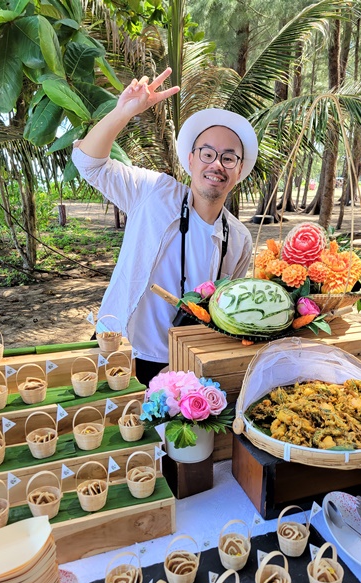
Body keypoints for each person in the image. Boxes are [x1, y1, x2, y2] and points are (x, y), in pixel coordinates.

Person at [72, 67, 258, 385]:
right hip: (119, 350)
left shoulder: (239, 239)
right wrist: (123, 110)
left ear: (239, 171)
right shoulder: (155, 191)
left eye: (229, 158)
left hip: (184, 363)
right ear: (191, 159)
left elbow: (228, 313)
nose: (217, 164)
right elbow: (88, 163)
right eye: (208, 153)